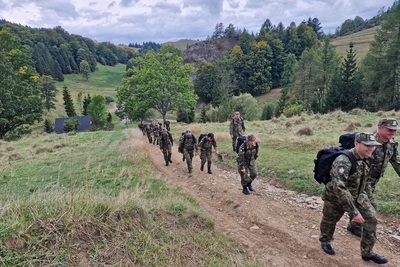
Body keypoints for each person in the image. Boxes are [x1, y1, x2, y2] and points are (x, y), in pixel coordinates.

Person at [319, 132, 388, 264]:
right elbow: (339, 188)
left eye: (373, 145)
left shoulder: (367, 158)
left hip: (357, 195)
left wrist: (368, 198)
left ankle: (367, 252)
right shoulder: (343, 161)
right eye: (367, 145)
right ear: (357, 143)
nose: (371, 148)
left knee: (371, 219)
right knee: (330, 220)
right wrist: (353, 212)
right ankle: (325, 240)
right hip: (336, 198)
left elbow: (365, 180)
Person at [347, 118, 400, 237]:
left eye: (394, 131)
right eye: (389, 130)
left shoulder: (391, 143)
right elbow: (355, 158)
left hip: (374, 180)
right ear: (380, 128)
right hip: (361, 179)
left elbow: (395, 161)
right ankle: (360, 230)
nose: (392, 133)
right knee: (370, 205)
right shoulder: (369, 142)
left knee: (361, 203)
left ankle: (354, 226)